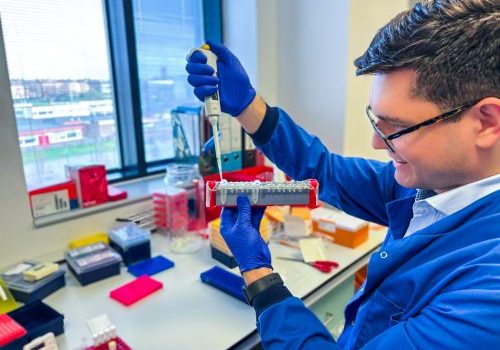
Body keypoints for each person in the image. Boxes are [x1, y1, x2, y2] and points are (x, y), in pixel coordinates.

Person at [186, 0, 499, 348]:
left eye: (396, 127)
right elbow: (325, 170)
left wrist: (259, 276)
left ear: (486, 122)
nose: (376, 143)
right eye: (375, 120)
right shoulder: (432, 186)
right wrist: (248, 107)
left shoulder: (487, 293)